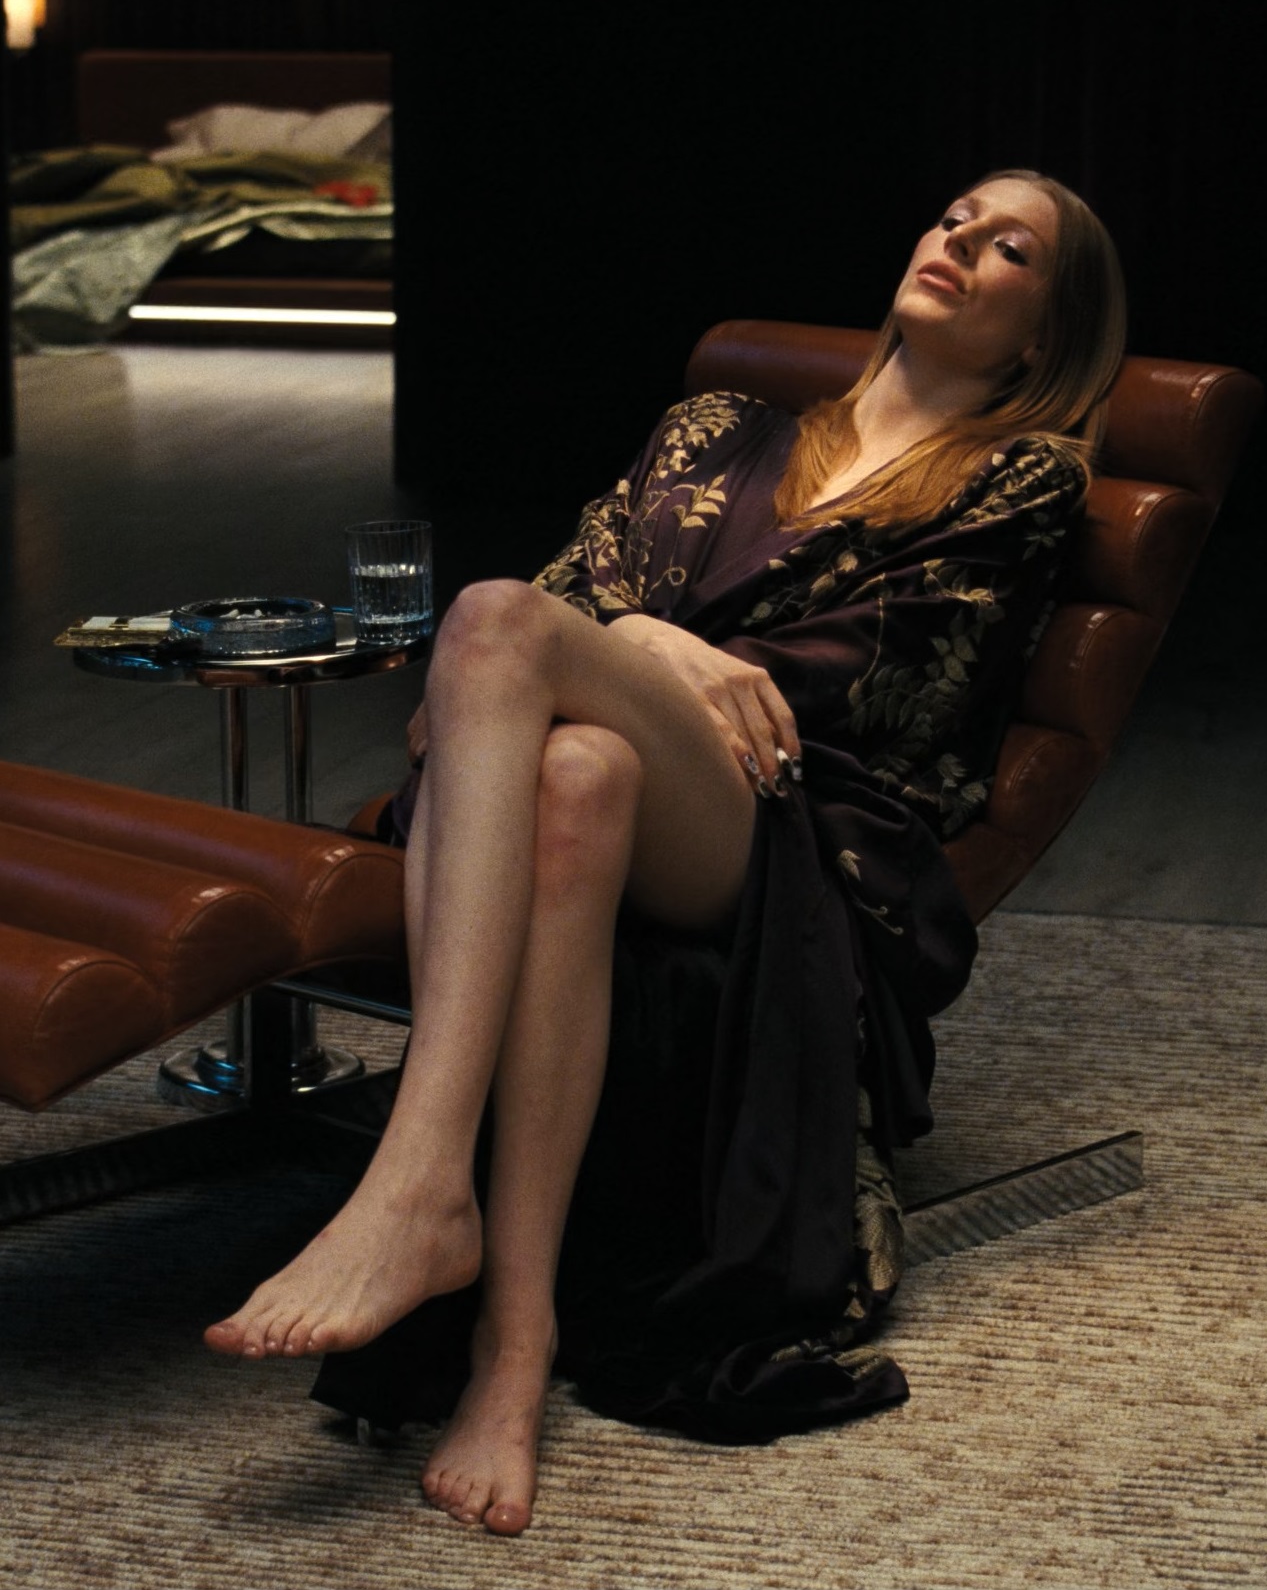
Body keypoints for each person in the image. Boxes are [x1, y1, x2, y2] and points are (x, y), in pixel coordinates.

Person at [204, 169, 1127, 1535]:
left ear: (1049, 330)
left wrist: (627, 638)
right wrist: (646, 644)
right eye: (954, 220)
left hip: (791, 814)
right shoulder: (720, 425)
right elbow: (583, 586)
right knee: (580, 773)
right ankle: (513, 1351)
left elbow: (867, 690)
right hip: (609, 771)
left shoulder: (1020, 480)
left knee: (494, 623)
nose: (960, 246)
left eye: (1011, 251)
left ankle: (419, 1176)